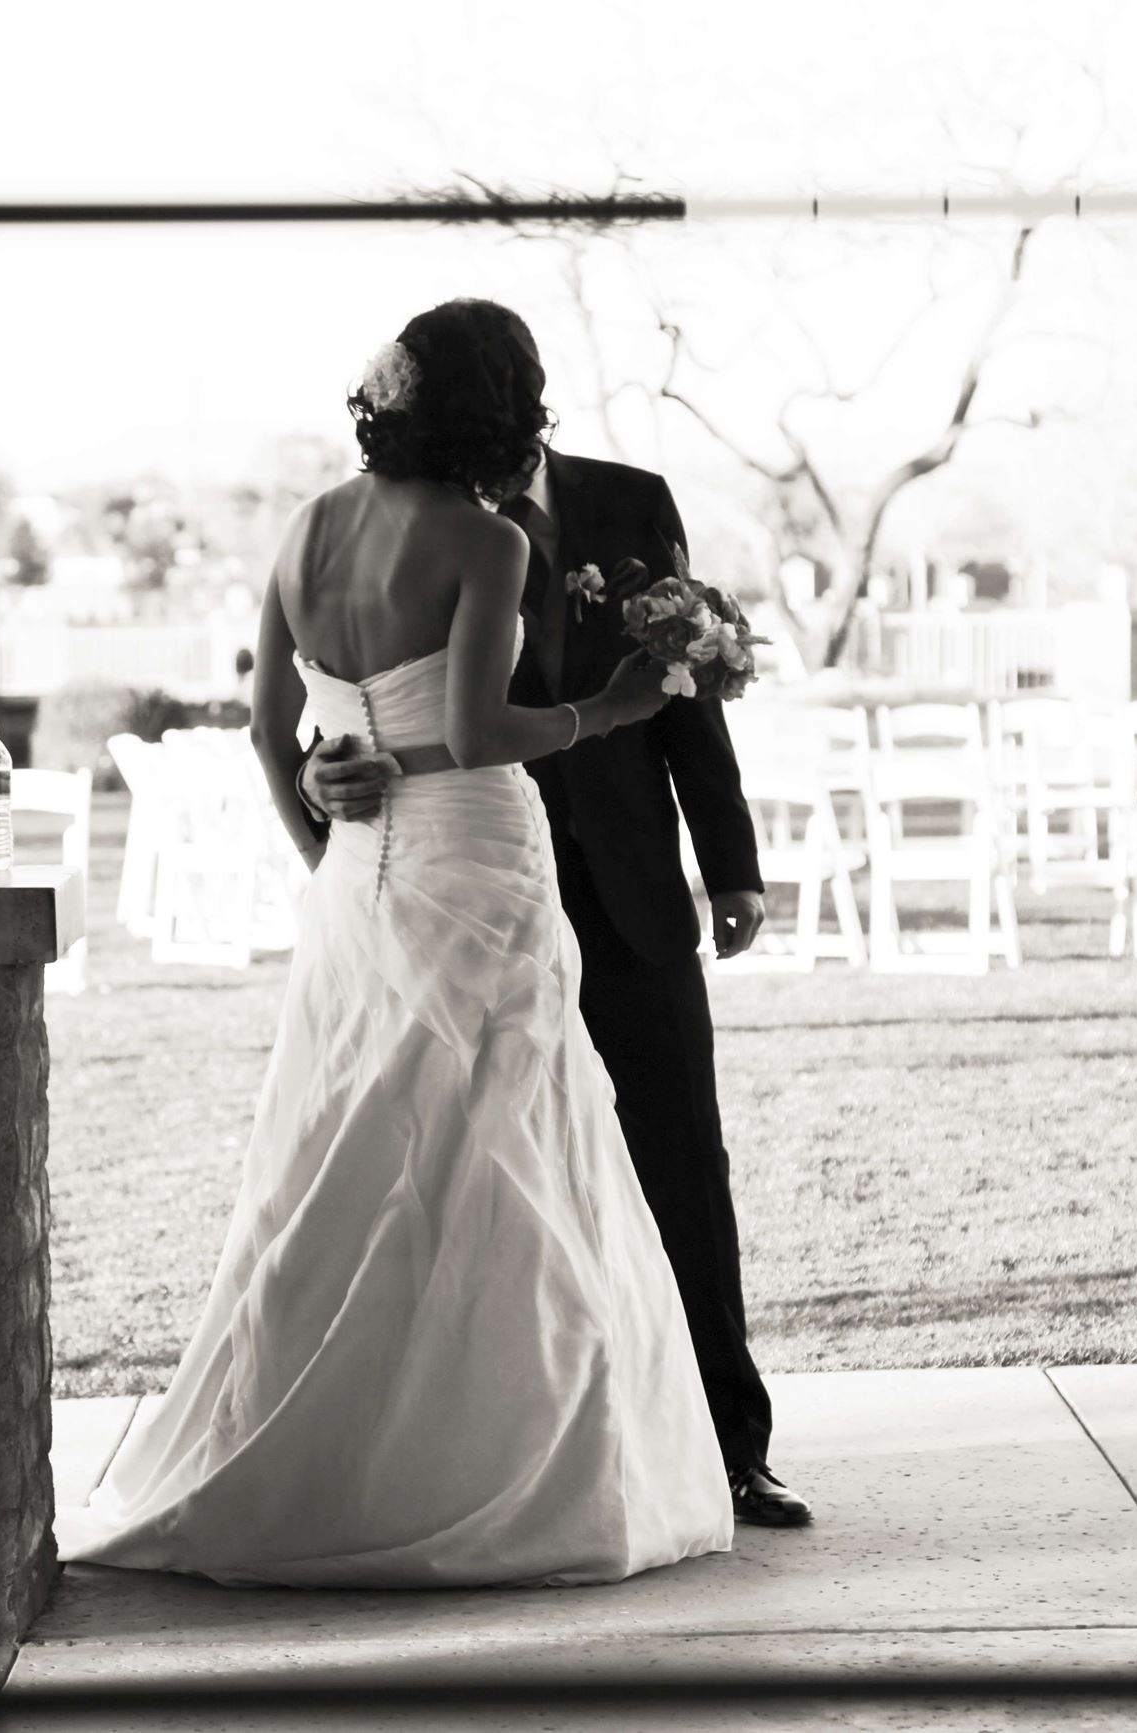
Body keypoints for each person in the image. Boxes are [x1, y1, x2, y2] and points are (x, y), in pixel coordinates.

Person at [58, 299, 733, 1586]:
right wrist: (607, 706)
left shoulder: (307, 525)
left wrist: (327, 854)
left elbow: (269, 731)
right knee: (508, 1140)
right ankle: (508, 1463)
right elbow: (480, 733)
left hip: (364, 875)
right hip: (476, 853)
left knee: (350, 1145)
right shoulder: (484, 544)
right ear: (501, 408)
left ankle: (327, 1452)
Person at [300, 308, 810, 1529]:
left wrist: (728, 863)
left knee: (681, 1163)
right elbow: (344, 690)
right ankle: (542, 1453)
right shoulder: (408, 526)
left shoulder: (632, 500)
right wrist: (325, 773)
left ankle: (730, 1449)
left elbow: (687, 693)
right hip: (475, 894)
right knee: (490, 1173)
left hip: (629, 890)